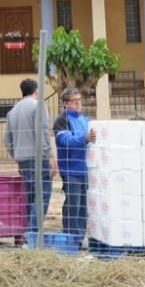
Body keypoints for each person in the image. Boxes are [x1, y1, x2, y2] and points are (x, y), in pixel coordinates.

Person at [5, 78, 57, 234]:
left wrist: (17, 156)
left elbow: (7, 140)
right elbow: (42, 133)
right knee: (42, 197)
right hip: (38, 158)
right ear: (36, 91)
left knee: (30, 198)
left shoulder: (12, 111)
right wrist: (50, 156)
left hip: (23, 159)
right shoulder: (38, 106)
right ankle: (34, 235)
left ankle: (27, 234)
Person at [53, 87, 96, 239]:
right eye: (74, 101)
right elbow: (64, 140)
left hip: (86, 169)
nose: (78, 103)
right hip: (71, 170)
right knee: (73, 205)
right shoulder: (62, 120)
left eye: (79, 100)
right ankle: (71, 238)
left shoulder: (85, 120)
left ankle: (80, 237)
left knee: (84, 207)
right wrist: (84, 139)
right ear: (65, 103)